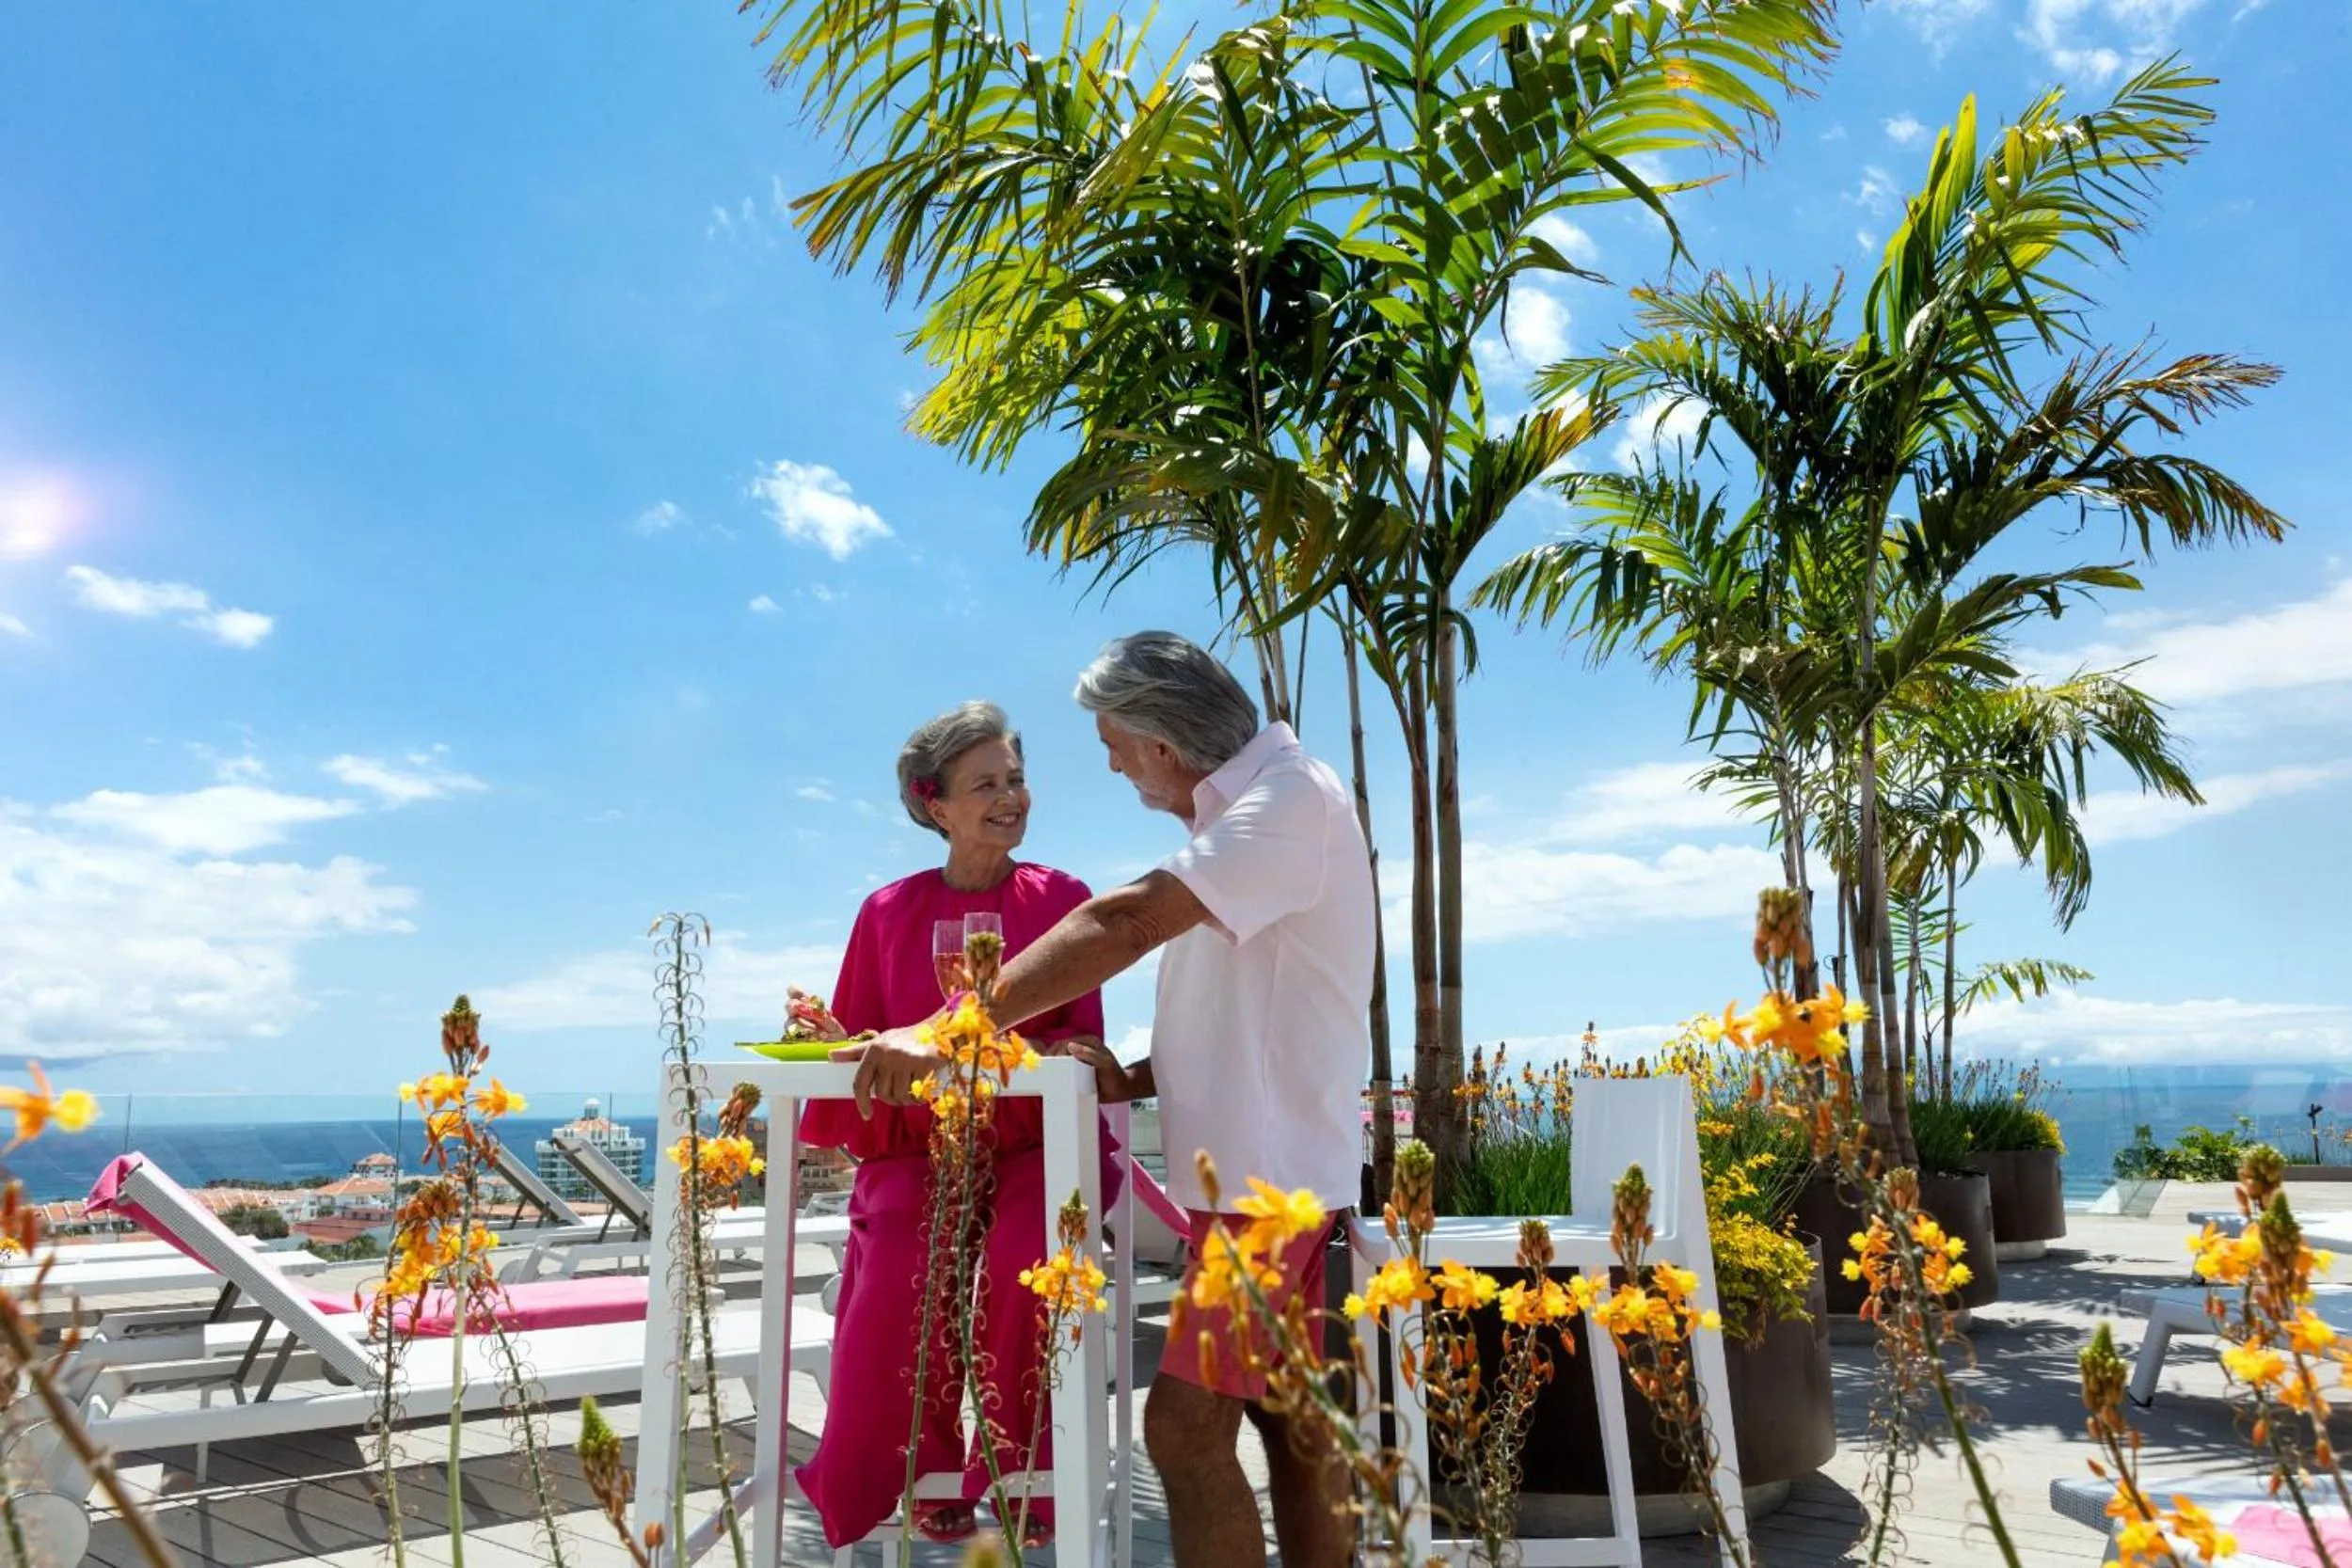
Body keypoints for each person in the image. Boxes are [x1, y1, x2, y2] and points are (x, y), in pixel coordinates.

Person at [835, 633, 1375, 1568]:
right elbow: (1261, 1005)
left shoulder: (1285, 805)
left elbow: (1122, 921)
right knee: (1294, 1425)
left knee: (1184, 1431)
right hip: (1263, 1175)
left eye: (1114, 746)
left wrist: (944, 1028)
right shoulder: (1259, 809)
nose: (1115, 766)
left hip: (1265, 1188)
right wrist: (1136, 1074)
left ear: (1161, 742)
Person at [790, 701, 1109, 1550]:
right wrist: (838, 1041)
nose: (1011, 797)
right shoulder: (886, 911)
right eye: (986, 785)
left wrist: (1000, 1045)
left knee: (1023, 1259)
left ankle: (1021, 1474)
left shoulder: (1065, 899)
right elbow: (863, 1046)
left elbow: (1082, 1043)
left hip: (1040, 1140)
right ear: (936, 806)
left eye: (1015, 778)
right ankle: (920, 1468)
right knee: (899, 1248)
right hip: (923, 1143)